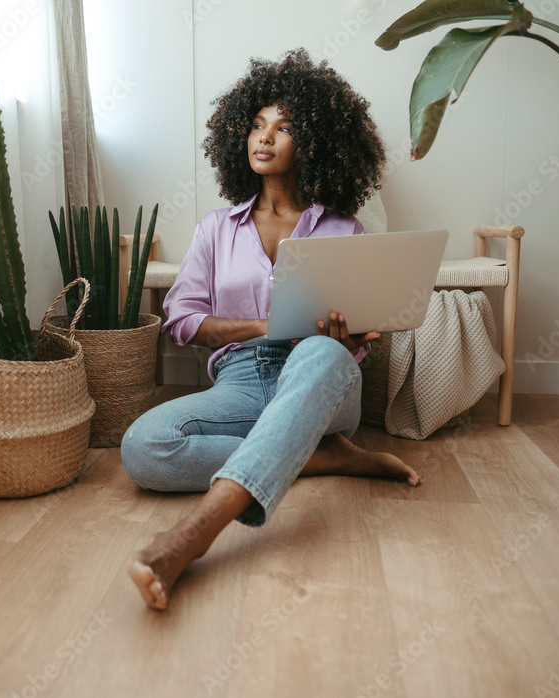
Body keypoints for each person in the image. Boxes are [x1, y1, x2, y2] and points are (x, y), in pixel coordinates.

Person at [121, 48, 421, 611]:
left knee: (322, 355)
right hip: (240, 376)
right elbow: (180, 320)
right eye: (257, 125)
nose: (265, 137)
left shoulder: (344, 229)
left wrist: (349, 340)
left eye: (284, 127)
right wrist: (263, 325)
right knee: (143, 447)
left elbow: (358, 334)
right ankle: (319, 455)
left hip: (321, 376)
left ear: (312, 141)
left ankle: (190, 536)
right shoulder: (216, 229)